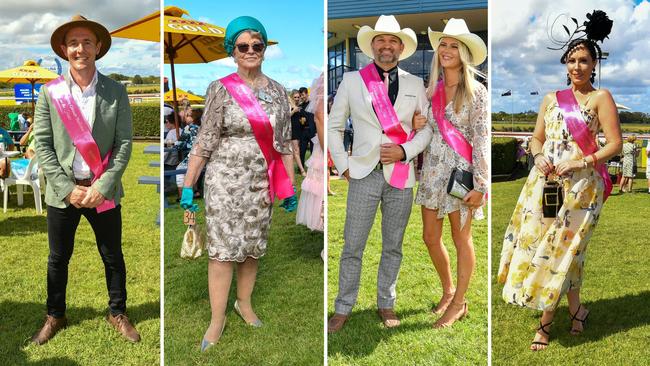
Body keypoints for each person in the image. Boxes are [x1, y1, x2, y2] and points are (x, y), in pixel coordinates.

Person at [497, 10, 621, 351]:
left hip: (582, 189)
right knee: (547, 247)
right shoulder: (551, 100)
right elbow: (537, 139)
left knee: (564, 251)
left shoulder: (601, 98)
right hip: (545, 185)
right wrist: (538, 157)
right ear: (565, 63)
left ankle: (545, 324)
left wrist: (583, 160)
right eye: (571, 60)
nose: (576, 66)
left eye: (583, 60)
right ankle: (578, 311)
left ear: (594, 64)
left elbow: (615, 144)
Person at [178, 16, 294, 352]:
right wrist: (189, 185)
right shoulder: (219, 88)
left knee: (252, 248)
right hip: (224, 182)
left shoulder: (277, 91)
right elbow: (204, 140)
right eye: (242, 46)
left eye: (257, 45)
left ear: (264, 49)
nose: (250, 51)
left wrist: (287, 187)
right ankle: (217, 319)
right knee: (223, 252)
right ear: (232, 51)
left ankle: (244, 302)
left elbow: (283, 143)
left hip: (261, 181)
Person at [31, 15, 138, 345]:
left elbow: (123, 144)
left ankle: (117, 311)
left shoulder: (116, 91)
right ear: (64, 49)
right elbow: (43, 145)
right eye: (74, 43)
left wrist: (101, 187)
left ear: (98, 46)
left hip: (101, 190)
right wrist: (67, 189)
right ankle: (55, 315)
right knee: (57, 258)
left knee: (112, 256)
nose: (81, 49)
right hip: (65, 193)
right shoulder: (50, 93)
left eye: (87, 42)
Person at [327, 15, 432, 333]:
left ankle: (386, 303)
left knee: (393, 246)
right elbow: (333, 126)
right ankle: (343, 306)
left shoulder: (415, 85)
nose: (387, 46)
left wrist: (405, 151)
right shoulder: (351, 81)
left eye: (392, 41)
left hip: (400, 176)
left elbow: (425, 130)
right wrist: (343, 166)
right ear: (372, 46)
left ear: (401, 47)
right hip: (363, 174)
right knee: (352, 246)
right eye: (381, 40)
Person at [414, 18, 488, 328]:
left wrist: (482, 185)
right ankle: (448, 291)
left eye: (453, 45)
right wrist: (421, 124)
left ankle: (459, 303)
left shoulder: (477, 92)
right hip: (433, 170)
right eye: (442, 44)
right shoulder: (432, 90)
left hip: (461, 174)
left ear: (464, 52)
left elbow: (482, 138)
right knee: (430, 237)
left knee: (462, 239)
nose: (446, 49)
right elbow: (432, 130)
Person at [296, 73, 324, 232]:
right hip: (322, 139)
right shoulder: (323, 79)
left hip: (322, 138)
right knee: (319, 190)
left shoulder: (321, 78)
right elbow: (319, 116)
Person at [290, 90, 307, 176]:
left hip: (299, 130)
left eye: (298, 97)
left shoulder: (299, 107)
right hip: (292, 130)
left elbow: (302, 119)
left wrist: (302, 120)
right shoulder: (289, 106)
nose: (297, 99)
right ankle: (302, 170)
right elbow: (285, 117)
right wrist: (293, 111)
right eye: (295, 97)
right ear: (292, 97)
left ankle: (291, 170)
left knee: (295, 151)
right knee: (296, 151)